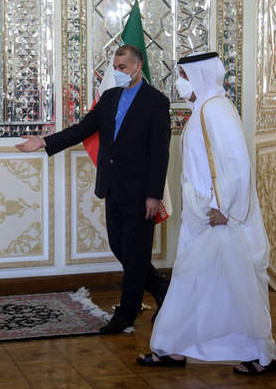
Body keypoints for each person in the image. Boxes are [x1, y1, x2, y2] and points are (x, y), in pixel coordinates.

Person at [136, 52, 276, 374]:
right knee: (194, 280)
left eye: (183, 76)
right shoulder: (204, 108)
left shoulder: (216, 109)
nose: (180, 82)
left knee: (236, 286)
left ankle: (263, 355)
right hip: (202, 214)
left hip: (219, 216)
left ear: (199, 76)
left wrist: (224, 207)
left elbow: (238, 163)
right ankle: (174, 349)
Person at [16, 44, 171, 334]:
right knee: (120, 246)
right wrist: (45, 142)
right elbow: (82, 129)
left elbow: (160, 152)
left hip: (141, 192)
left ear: (137, 67)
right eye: (115, 67)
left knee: (136, 253)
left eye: (122, 67)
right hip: (112, 187)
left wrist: (154, 195)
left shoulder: (156, 102)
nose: (117, 72)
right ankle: (162, 289)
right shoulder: (110, 97)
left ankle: (126, 314)